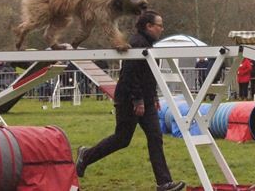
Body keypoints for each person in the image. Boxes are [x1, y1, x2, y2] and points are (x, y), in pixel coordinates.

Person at [75, 10, 185, 191]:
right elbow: (129, 75)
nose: (162, 29)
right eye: (160, 25)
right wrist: (137, 100)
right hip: (129, 99)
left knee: (155, 137)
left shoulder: (148, 45)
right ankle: (86, 155)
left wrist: (153, 96)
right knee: (122, 139)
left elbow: (148, 75)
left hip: (146, 99)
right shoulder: (136, 44)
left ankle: (164, 183)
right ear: (149, 26)